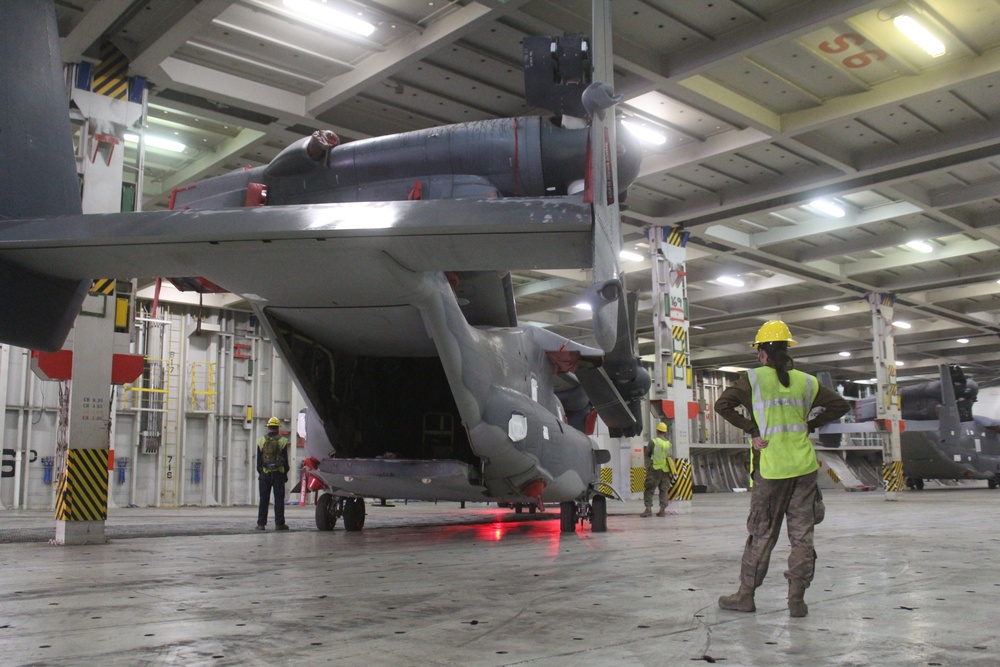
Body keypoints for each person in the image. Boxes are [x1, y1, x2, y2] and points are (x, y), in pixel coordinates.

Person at [714, 320, 849, 617]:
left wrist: (752, 429)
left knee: (762, 533)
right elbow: (840, 405)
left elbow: (722, 405)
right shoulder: (807, 382)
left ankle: (745, 596)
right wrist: (809, 424)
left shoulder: (752, 379)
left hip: (771, 468)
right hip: (803, 467)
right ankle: (796, 600)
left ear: (761, 352)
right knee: (802, 537)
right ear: (788, 350)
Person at [256, 417, 291, 531]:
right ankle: (279, 524)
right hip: (278, 474)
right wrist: (285, 473)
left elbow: (259, 461)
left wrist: (261, 472)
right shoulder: (283, 441)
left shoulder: (261, 441)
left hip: (265, 474)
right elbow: (285, 461)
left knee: (263, 499)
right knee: (279, 500)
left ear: (268, 427)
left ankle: (261, 524)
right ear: (278, 428)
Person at [640, 422, 672, 517]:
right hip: (665, 469)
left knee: (649, 489)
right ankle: (662, 510)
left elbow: (647, 453)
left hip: (654, 469)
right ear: (665, 432)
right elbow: (669, 455)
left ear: (657, 430)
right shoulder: (668, 443)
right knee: (663, 490)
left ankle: (648, 509)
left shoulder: (653, 442)